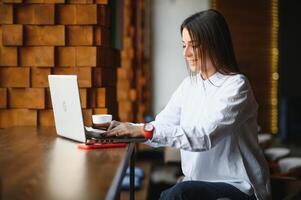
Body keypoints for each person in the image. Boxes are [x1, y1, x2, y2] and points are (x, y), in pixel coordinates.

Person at [104, 9, 270, 200]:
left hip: (239, 187)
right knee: (174, 192)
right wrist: (127, 129)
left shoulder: (237, 86)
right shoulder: (189, 86)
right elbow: (161, 125)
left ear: (215, 44)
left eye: (194, 45)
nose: (186, 53)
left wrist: (144, 130)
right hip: (197, 183)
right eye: (184, 45)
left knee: (178, 194)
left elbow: (204, 136)